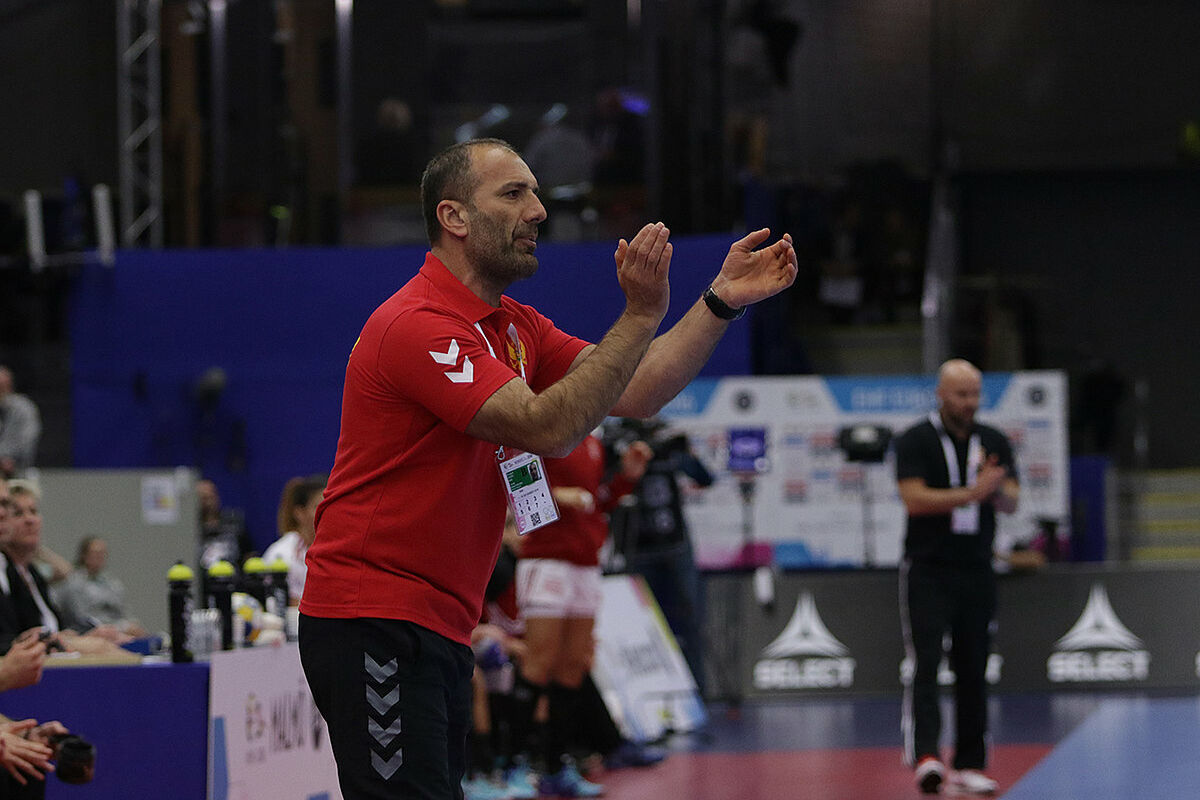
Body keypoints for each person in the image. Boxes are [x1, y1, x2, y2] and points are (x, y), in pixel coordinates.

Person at [298, 137, 796, 800]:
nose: (537, 211)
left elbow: (637, 388)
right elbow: (548, 427)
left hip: (435, 623)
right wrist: (640, 313)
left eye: (535, 193)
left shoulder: (512, 327)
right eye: (513, 194)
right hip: (375, 617)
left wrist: (719, 302)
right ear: (453, 217)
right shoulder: (418, 324)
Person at [894, 359, 1019, 796]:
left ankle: (969, 762)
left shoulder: (993, 440)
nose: (970, 403)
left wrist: (995, 488)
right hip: (928, 567)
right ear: (941, 395)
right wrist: (970, 493)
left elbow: (1012, 501)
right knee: (926, 662)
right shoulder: (916, 439)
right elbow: (913, 499)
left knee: (974, 665)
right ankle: (926, 756)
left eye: (975, 394)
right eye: (961, 394)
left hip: (976, 568)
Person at [509, 433, 650, 796]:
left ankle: (556, 766)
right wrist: (559, 496)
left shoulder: (592, 443)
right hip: (546, 558)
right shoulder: (540, 428)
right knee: (538, 664)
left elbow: (596, 503)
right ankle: (511, 767)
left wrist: (626, 479)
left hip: (585, 563)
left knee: (573, 666)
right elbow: (518, 488)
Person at [0, 482, 137, 658]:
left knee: (116, 648)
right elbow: (19, 638)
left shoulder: (32, 574)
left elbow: (54, 629)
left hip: (51, 655)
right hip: (38, 659)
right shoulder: (9, 573)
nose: (30, 520)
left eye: (34, 512)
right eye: (18, 513)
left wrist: (81, 636)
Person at [54, 536, 147, 638]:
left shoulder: (112, 584)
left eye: (102, 553)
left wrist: (129, 624)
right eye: (95, 553)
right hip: (89, 632)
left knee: (138, 633)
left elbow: (123, 612)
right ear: (84, 555)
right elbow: (82, 619)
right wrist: (120, 627)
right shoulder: (74, 583)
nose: (99, 557)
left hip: (114, 629)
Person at [262, 474, 326, 604]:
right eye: (318, 507)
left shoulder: (336, 551)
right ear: (299, 513)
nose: (326, 513)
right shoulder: (281, 554)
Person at [196, 478, 253, 598]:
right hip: (203, 591)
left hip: (235, 589)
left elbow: (249, 555)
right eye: (203, 498)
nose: (208, 502)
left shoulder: (234, 524)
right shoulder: (190, 530)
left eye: (211, 496)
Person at [0, 367, 41, 480]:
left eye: (3, 387)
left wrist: (10, 459)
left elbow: (27, 439)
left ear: (10, 386)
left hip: (18, 469)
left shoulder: (24, 408)